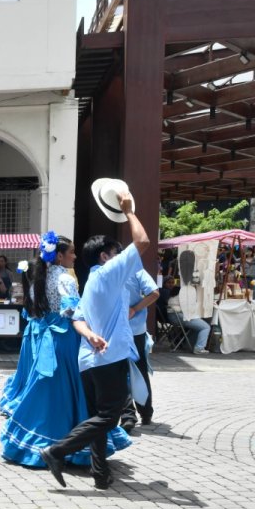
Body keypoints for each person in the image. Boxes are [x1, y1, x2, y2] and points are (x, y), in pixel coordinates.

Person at [39, 188, 150, 491]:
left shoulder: (90, 283)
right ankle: (56, 451)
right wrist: (128, 210)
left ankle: (100, 475)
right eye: (115, 253)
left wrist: (89, 335)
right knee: (108, 417)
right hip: (108, 358)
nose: (120, 257)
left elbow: (77, 318)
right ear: (105, 256)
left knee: (97, 417)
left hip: (89, 358)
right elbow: (142, 242)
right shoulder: (109, 273)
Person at [0, 233, 131, 468]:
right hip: (66, 339)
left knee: (48, 391)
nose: (75, 256)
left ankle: (37, 440)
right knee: (72, 391)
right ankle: (67, 446)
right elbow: (73, 312)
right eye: (71, 252)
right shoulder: (65, 279)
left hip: (45, 339)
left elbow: (33, 311)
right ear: (59, 255)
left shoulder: (39, 275)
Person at [121, 263, 159, 430]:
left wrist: (134, 309)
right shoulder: (137, 269)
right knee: (140, 369)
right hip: (135, 329)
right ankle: (145, 412)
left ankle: (128, 415)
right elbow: (154, 292)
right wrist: (136, 309)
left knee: (121, 370)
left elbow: (154, 293)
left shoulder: (109, 271)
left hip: (120, 329)